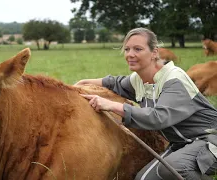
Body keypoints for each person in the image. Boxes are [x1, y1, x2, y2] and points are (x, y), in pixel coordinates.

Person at [76, 27, 217, 180]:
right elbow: (116, 83)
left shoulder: (174, 79)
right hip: (181, 144)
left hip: (209, 139)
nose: (130, 54)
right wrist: (85, 83)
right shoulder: (139, 79)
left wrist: (111, 105)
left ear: (154, 52)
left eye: (138, 49)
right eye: (127, 49)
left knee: (174, 167)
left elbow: (158, 117)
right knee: (143, 179)